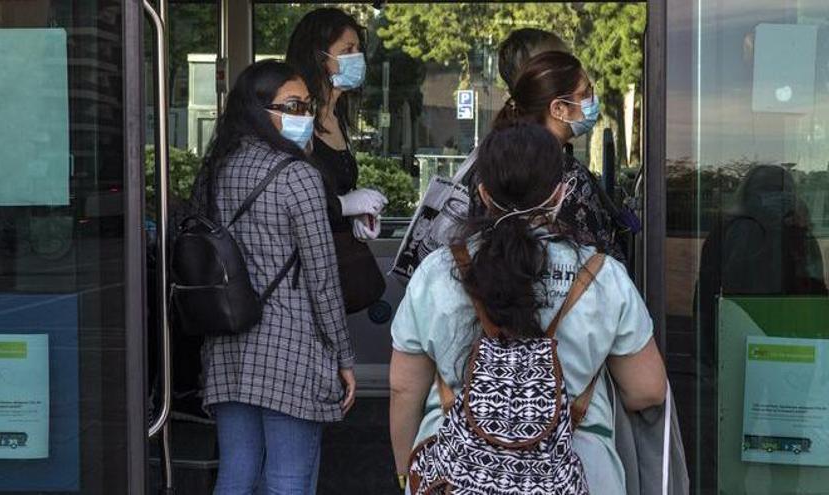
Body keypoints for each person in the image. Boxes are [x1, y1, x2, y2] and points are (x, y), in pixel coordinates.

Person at [389, 121, 666, 493]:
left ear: (484, 195)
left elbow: (404, 389)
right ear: (560, 194)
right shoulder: (604, 276)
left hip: (454, 475)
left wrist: (406, 472)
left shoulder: (438, 272)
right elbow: (647, 389)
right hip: (582, 468)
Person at [188, 59, 355, 495]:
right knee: (288, 479)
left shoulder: (214, 171)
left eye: (307, 105)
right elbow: (322, 278)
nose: (304, 115)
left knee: (236, 471)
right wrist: (343, 357)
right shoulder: (297, 176)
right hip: (291, 347)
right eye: (294, 105)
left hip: (226, 341)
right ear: (259, 109)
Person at [484, 50, 626, 261]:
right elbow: (604, 260)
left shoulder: (496, 160)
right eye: (585, 94)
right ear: (559, 109)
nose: (593, 100)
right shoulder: (569, 176)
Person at [286, 7, 387, 242]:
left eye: (358, 50)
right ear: (318, 57)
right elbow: (288, 197)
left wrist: (357, 215)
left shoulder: (336, 115)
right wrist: (341, 206)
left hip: (342, 248)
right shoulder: (295, 121)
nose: (357, 58)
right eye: (347, 50)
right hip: (309, 254)